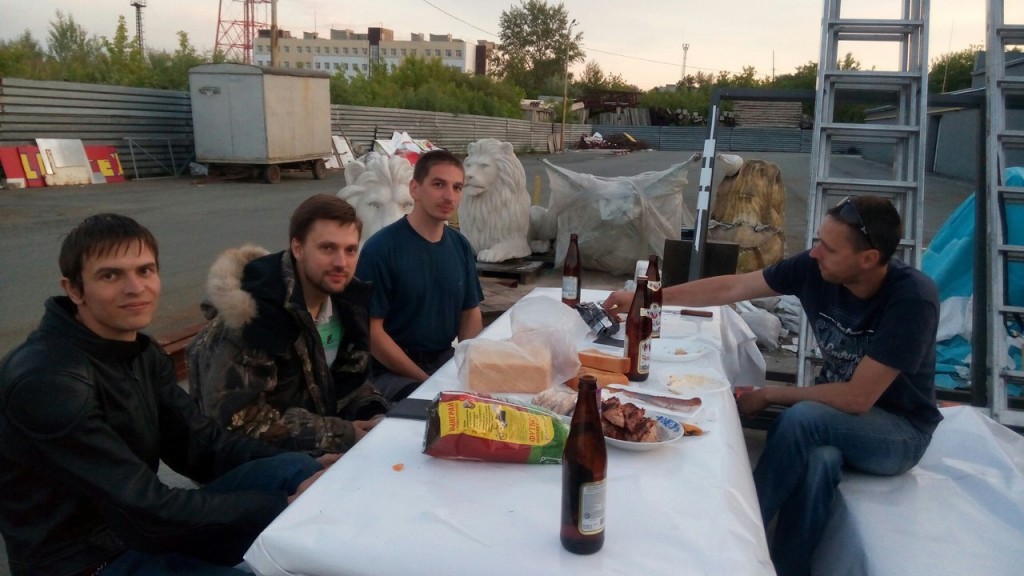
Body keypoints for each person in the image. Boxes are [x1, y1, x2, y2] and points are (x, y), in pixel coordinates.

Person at [604, 195, 943, 576]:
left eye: (829, 248)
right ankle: (785, 567)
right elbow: (731, 288)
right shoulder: (814, 268)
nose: (815, 253)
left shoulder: (911, 298)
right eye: (818, 241)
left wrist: (769, 395)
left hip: (900, 432)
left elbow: (857, 398)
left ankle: (737, 534)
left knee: (802, 420)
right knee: (820, 462)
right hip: (837, 419)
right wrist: (647, 298)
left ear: (868, 259)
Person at [0, 213, 334, 576]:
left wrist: (317, 463)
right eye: (110, 275)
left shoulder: (139, 352)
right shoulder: (49, 381)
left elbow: (202, 446)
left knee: (295, 470)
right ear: (75, 290)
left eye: (144, 270)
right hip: (87, 560)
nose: (135, 288)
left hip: (137, 530)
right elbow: (145, 505)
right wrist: (280, 504)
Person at [187, 195, 389, 453]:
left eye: (350, 250)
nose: (341, 263)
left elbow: (352, 381)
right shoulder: (252, 315)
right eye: (327, 248)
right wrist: (342, 433)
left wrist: (374, 414)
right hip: (247, 458)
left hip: (315, 446)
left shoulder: (347, 302)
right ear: (298, 248)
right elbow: (240, 420)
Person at [356, 149, 484, 401]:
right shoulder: (380, 249)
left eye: (457, 187)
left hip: (443, 360)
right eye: (438, 184)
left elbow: (470, 312)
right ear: (414, 189)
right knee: (433, 412)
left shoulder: (460, 246)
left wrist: (470, 367)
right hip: (391, 371)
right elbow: (373, 333)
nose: (449, 196)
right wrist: (427, 382)